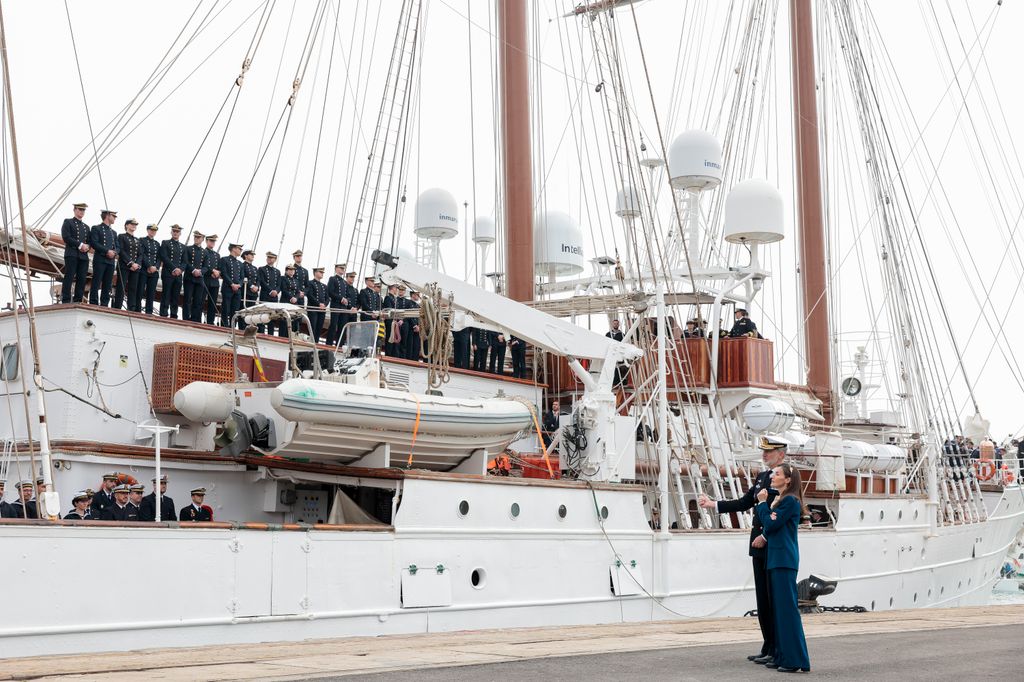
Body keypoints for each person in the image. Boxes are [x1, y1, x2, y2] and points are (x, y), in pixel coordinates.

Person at [698, 435, 785, 665]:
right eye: (764, 451)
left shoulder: (783, 479)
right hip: (756, 544)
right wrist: (713, 504)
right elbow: (745, 502)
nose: (764, 455)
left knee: (772, 597)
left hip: (769, 544)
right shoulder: (762, 476)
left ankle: (777, 648)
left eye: (769, 451)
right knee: (762, 600)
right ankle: (768, 645)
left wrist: (765, 536)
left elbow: (779, 513)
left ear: (781, 454)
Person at [755, 463, 811, 673]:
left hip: (783, 561)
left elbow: (770, 525)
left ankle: (795, 659)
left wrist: (762, 504)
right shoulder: (782, 500)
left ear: (788, 480)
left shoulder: (789, 501)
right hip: (777, 559)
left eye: (777, 474)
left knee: (787, 611)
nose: (772, 476)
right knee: (780, 611)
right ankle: (783, 655)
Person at [60, 201, 91, 303]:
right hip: (72, 254)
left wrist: (87, 246)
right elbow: (66, 237)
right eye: (80, 209)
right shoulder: (68, 222)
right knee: (69, 276)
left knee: (82, 278)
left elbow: (90, 241)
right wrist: (80, 245)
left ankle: (78, 299)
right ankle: (66, 299)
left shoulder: (86, 227)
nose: (82, 212)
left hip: (83, 256)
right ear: (74, 210)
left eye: (83, 210)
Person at [87, 209, 119, 307]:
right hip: (100, 259)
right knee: (96, 281)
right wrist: (107, 251)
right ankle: (93, 302)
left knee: (108, 283)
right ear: (107, 216)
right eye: (114, 216)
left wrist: (114, 252)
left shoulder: (113, 232)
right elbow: (94, 243)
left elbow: (118, 246)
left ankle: (104, 303)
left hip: (110, 261)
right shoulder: (96, 228)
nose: (115, 218)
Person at [113, 218, 142, 311]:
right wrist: (130, 263)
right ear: (126, 225)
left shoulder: (137, 240)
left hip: (135, 268)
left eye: (135, 224)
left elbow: (140, 254)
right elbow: (121, 250)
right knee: (121, 287)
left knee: (133, 288)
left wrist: (137, 264)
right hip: (124, 265)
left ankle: (131, 308)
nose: (134, 226)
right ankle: (117, 306)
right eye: (132, 224)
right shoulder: (121, 236)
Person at [159, 224, 186, 318]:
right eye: (174, 231)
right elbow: (164, 257)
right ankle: (163, 313)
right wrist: (174, 268)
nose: (175, 233)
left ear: (180, 233)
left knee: (176, 295)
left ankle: (174, 314)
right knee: (166, 294)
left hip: (178, 275)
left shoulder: (183, 247)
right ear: (171, 232)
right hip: (168, 272)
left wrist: (180, 270)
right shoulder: (165, 243)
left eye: (177, 232)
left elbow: (185, 261)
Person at [182, 231, 208, 322]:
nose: (196, 238)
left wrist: (200, 271)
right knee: (187, 299)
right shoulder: (188, 249)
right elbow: (186, 261)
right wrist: (193, 270)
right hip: (189, 277)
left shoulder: (205, 252)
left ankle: (194, 319)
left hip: (199, 279)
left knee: (197, 300)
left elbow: (206, 266)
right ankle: (186, 318)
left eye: (198, 237)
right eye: (195, 237)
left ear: (202, 239)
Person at [219, 243, 244, 327]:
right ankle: (224, 325)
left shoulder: (240, 263)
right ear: (233, 249)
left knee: (235, 310)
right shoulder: (224, 259)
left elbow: (242, 277)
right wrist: (232, 284)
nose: (241, 251)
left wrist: (239, 285)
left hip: (237, 290)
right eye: (239, 249)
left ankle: (233, 326)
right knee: (226, 308)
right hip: (227, 288)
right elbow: (224, 273)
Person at [138, 224, 161, 314]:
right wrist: (149, 266)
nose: (153, 232)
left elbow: (159, 257)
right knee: (140, 291)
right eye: (151, 230)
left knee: (151, 293)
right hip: (144, 269)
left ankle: (149, 312)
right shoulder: (142, 240)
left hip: (154, 272)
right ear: (147, 230)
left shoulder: (157, 244)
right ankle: (137, 310)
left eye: (154, 230)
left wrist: (156, 267)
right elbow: (142, 254)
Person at [202, 234, 222, 325]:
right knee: (200, 301)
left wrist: (218, 273)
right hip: (205, 279)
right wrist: (212, 271)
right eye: (210, 241)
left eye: (214, 241)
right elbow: (202, 266)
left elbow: (220, 268)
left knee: (213, 303)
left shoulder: (217, 255)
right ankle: (197, 319)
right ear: (206, 241)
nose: (212, 243)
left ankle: (210, 321)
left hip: (214, 281)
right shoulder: (203, 252)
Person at [326, 264, 348, 346]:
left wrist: (347, 300)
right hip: (335, 305)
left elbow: (347, 294)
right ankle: (329, 343)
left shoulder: (344, 282)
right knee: (333, 324)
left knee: (342, 326)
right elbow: (330, 292)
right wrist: (341, 298)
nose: (342, 270)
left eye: (343, 268)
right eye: (341, 268)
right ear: (336, 269)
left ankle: (339, 344)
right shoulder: (332, 279)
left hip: (343, 307)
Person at [306, 267, 328, 343]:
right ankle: (310, 342)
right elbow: (310, 295)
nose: (322, 273)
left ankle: (316, 343)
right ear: (315, 272)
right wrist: (319, 304)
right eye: (320, 272)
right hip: (313, 308)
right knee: (312, 326)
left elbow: (328, 298)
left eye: (322, 272)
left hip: (322, 310)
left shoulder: (324, 286)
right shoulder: (310, 283)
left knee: (319, 328)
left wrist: (324, 304)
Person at [240, 249, 259, 324]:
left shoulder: (254, 268)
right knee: (244, 310)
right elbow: (243, 277)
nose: (253, 256)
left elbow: (258, 279)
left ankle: (249, 326)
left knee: (251, 311)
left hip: (254, 292)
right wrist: (251, 286)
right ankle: (242, 327)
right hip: (246, 291)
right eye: (251, 255)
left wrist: (257, 286)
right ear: (246, 256)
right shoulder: (242, 265)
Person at [405, 290, 421, 361]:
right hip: (410, 328)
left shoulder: (417, 305)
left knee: (416, 347)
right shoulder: (408, 303)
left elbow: (419, 317)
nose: (418, 296)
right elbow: (408, 315)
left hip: (417, 329)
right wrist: (415, 325)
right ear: (413, 295)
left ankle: (415, 360)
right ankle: (409, 360)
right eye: (417, 294)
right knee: (410, 346)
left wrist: (419, 326)